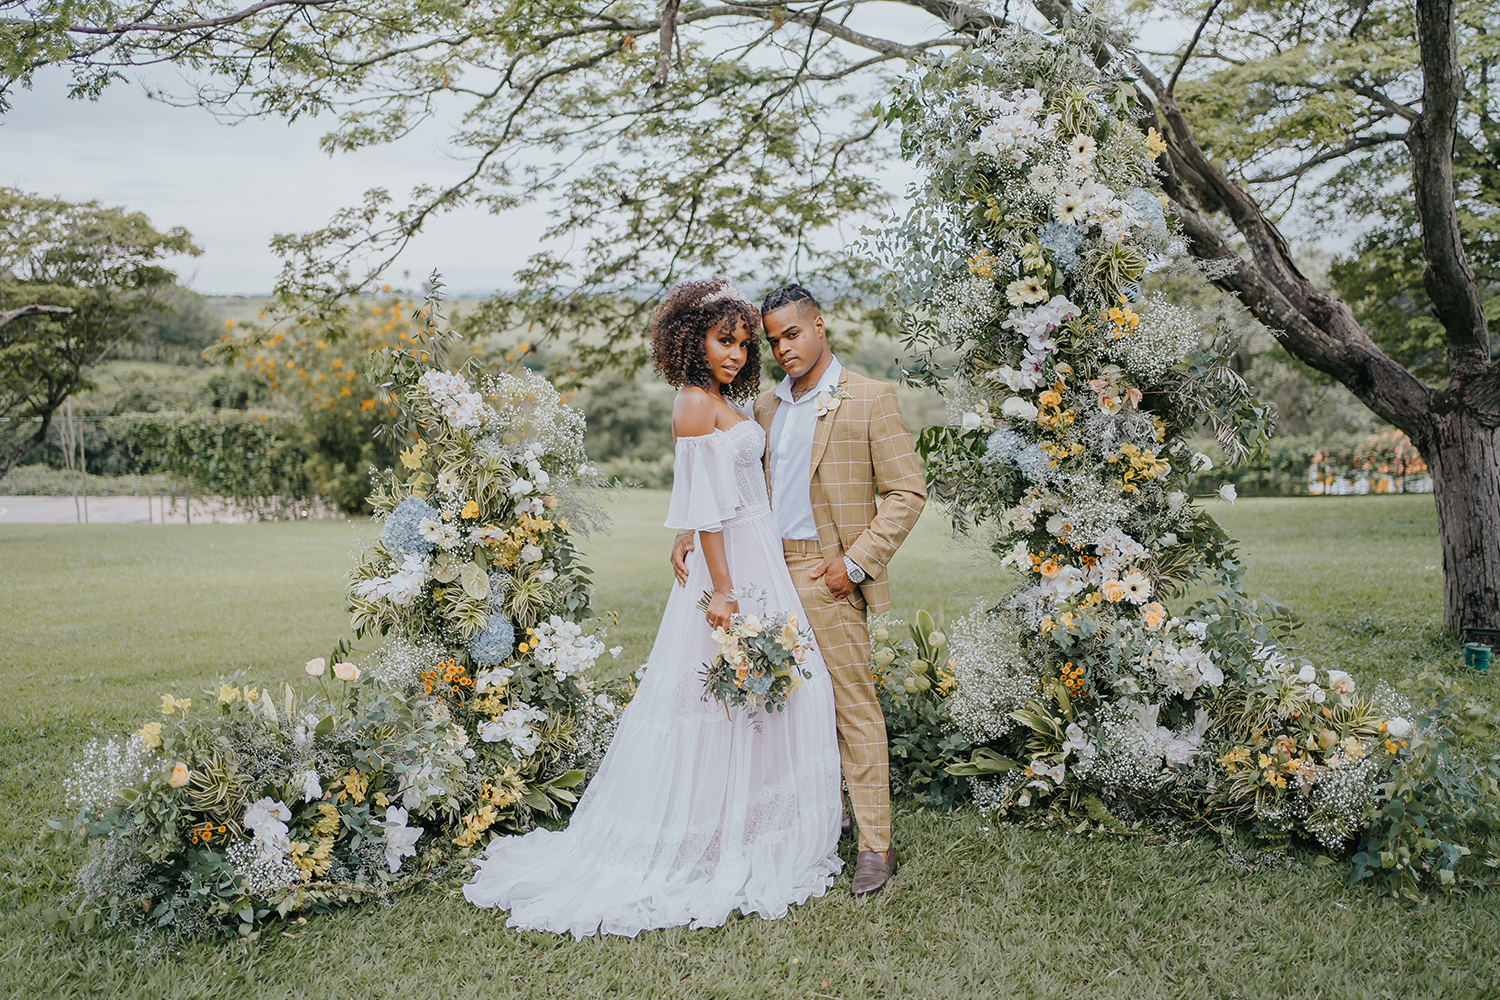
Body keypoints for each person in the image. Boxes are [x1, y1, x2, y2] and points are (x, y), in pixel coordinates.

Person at [464, 277, 843, 938]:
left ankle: (760, 824)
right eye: (725, 340)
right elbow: (710, 509)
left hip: (756, 553)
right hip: (733, 567)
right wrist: (721, 588)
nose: (735, 353)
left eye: (743, 343)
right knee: (726, 698)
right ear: (692, 338)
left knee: (777, 690)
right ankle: (713, 836)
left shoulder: (723, 398)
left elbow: (711, 491)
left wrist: (686, 535)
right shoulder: (694, 403)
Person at [672, 282, 926, 897]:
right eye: (773, 339)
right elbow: (727, 481)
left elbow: (908, 492)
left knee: (850, 708)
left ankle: (875, 846)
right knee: (778, 707)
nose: (782, 347)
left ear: (818, 326)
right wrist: (687, 527)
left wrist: (856, 564)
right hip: (762, 571)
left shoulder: (869, 399)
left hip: (825, 575)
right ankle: (815, 817)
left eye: (793, 333)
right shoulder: (762, 408)